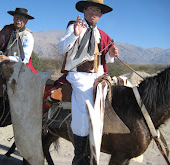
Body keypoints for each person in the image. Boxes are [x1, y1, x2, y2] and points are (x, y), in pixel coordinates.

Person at [57, 0, 119, 164]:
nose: (94, 12)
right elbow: (61, 48)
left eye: (97, 10)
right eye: (91, 9)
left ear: (100, 15)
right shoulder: (74, 27)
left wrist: (111, 54)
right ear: (84, 11)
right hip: (79, 76)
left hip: (98, 76)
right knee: (85, 111)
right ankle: (79, 156)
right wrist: (75, 35)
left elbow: (105, 59)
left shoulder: (103, 35)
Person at [0, 8, 37, 97]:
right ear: (13, 18)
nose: (18, 20)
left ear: (26, 21)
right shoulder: (6, 30)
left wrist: (7, 58)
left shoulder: (28, 36)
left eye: (21, 18)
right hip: (0, 62)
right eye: (16, 17)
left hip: (18, 66)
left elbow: (25, 59)